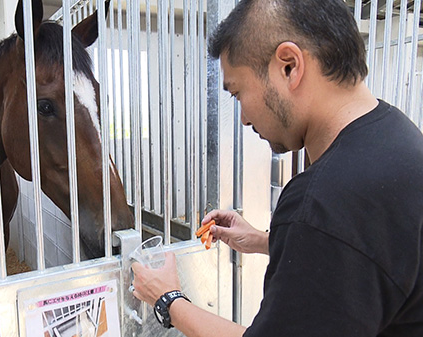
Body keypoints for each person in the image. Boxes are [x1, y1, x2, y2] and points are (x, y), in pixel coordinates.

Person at [131, 0, 423, 336]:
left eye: (237, 92)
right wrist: (266, 240)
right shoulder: (399, 138)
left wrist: (168, 299)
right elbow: (370, 251)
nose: (242, 118)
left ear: (289, 66)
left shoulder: (326, 199)